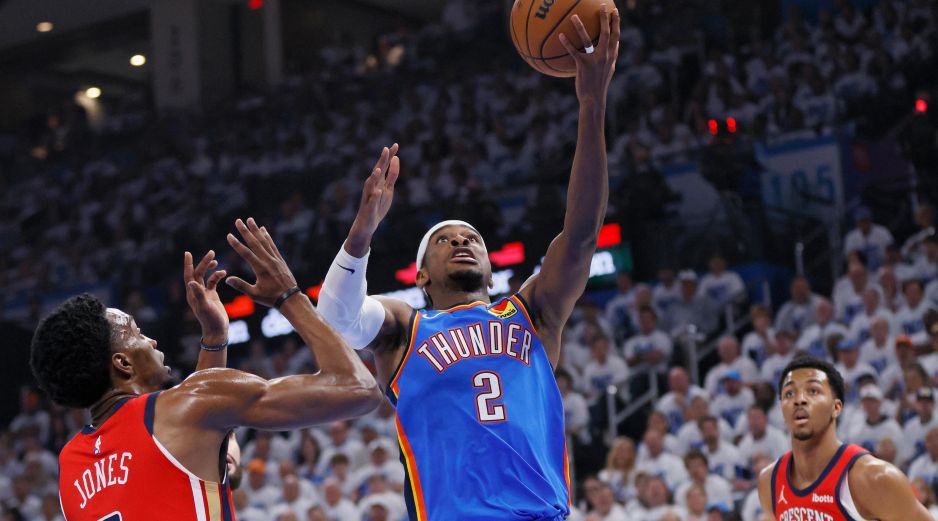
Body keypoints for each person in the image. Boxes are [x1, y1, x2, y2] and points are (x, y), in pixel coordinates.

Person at [315, 8, 621, 520]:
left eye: (472, 237)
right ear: (422, 274)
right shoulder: (403, 329)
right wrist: (361, 233)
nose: (462, 242)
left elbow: (583, 231)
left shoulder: (533, 312)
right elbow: (336, 320)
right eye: (445, 240)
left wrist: (591, 103)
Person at [34, 219, 381, 520]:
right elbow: (357, 389)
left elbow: (188, 459)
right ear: (122, 364)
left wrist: (214, 339)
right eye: (136, 334)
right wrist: (289, 296)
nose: (151, 340)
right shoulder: (184, 409)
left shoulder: (70, 465)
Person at [757, 354, 930, 520]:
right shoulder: (769, 482)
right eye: (789, 393)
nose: (799, 400)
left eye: (813, 391)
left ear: (836, 407)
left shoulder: (874, 478)